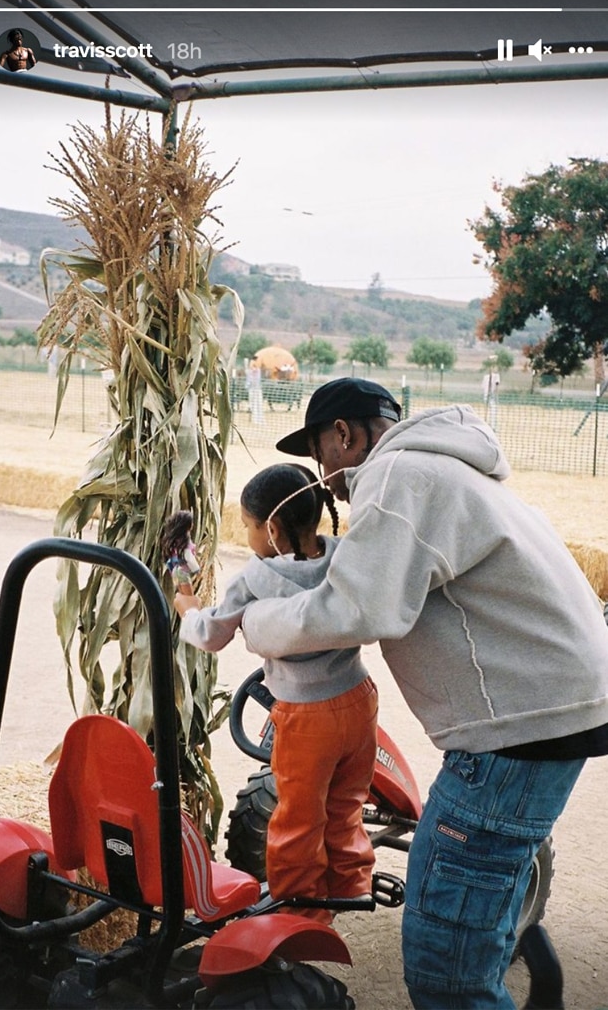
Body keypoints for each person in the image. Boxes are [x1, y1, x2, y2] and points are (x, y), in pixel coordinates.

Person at [240, 377, 608, 1009]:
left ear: (346, 435)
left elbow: (361, 605)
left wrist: (248, 622)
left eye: (322, 457)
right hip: (549, 711)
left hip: (517, 732)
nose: (324, 478)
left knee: (446, 971)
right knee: (475, 897)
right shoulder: (444, 469)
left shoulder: (398, 477)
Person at [174, 462, 378, 924]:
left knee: (297, 819)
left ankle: (300, 914)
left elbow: (209, 634)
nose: (247, 536)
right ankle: (349, 888)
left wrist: (186, 602)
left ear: (272, 527)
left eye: (247, 526)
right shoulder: (345, 557)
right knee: (345, 805)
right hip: (359, 700)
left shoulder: (257, 580)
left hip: (308, 718)